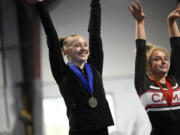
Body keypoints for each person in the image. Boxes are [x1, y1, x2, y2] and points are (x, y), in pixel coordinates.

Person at [25, 0, 114, 135]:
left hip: (102, 128)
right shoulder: (63, 73)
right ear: (66, 51)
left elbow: (95, 32)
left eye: (85, 45)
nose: (84, 48)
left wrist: (95, 3)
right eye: (77, 45)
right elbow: (52, 39)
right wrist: (40, 4)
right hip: (79, 130)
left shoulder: (94, 66)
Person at [128, 0, 180, 135]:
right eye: (157, 59)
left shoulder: (175, 80)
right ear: (149, 65)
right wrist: (140, 22)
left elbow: (177, 47)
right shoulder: (143, 85)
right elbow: (140, 50)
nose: (163, 61)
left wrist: (171, 21)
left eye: (165, 58)